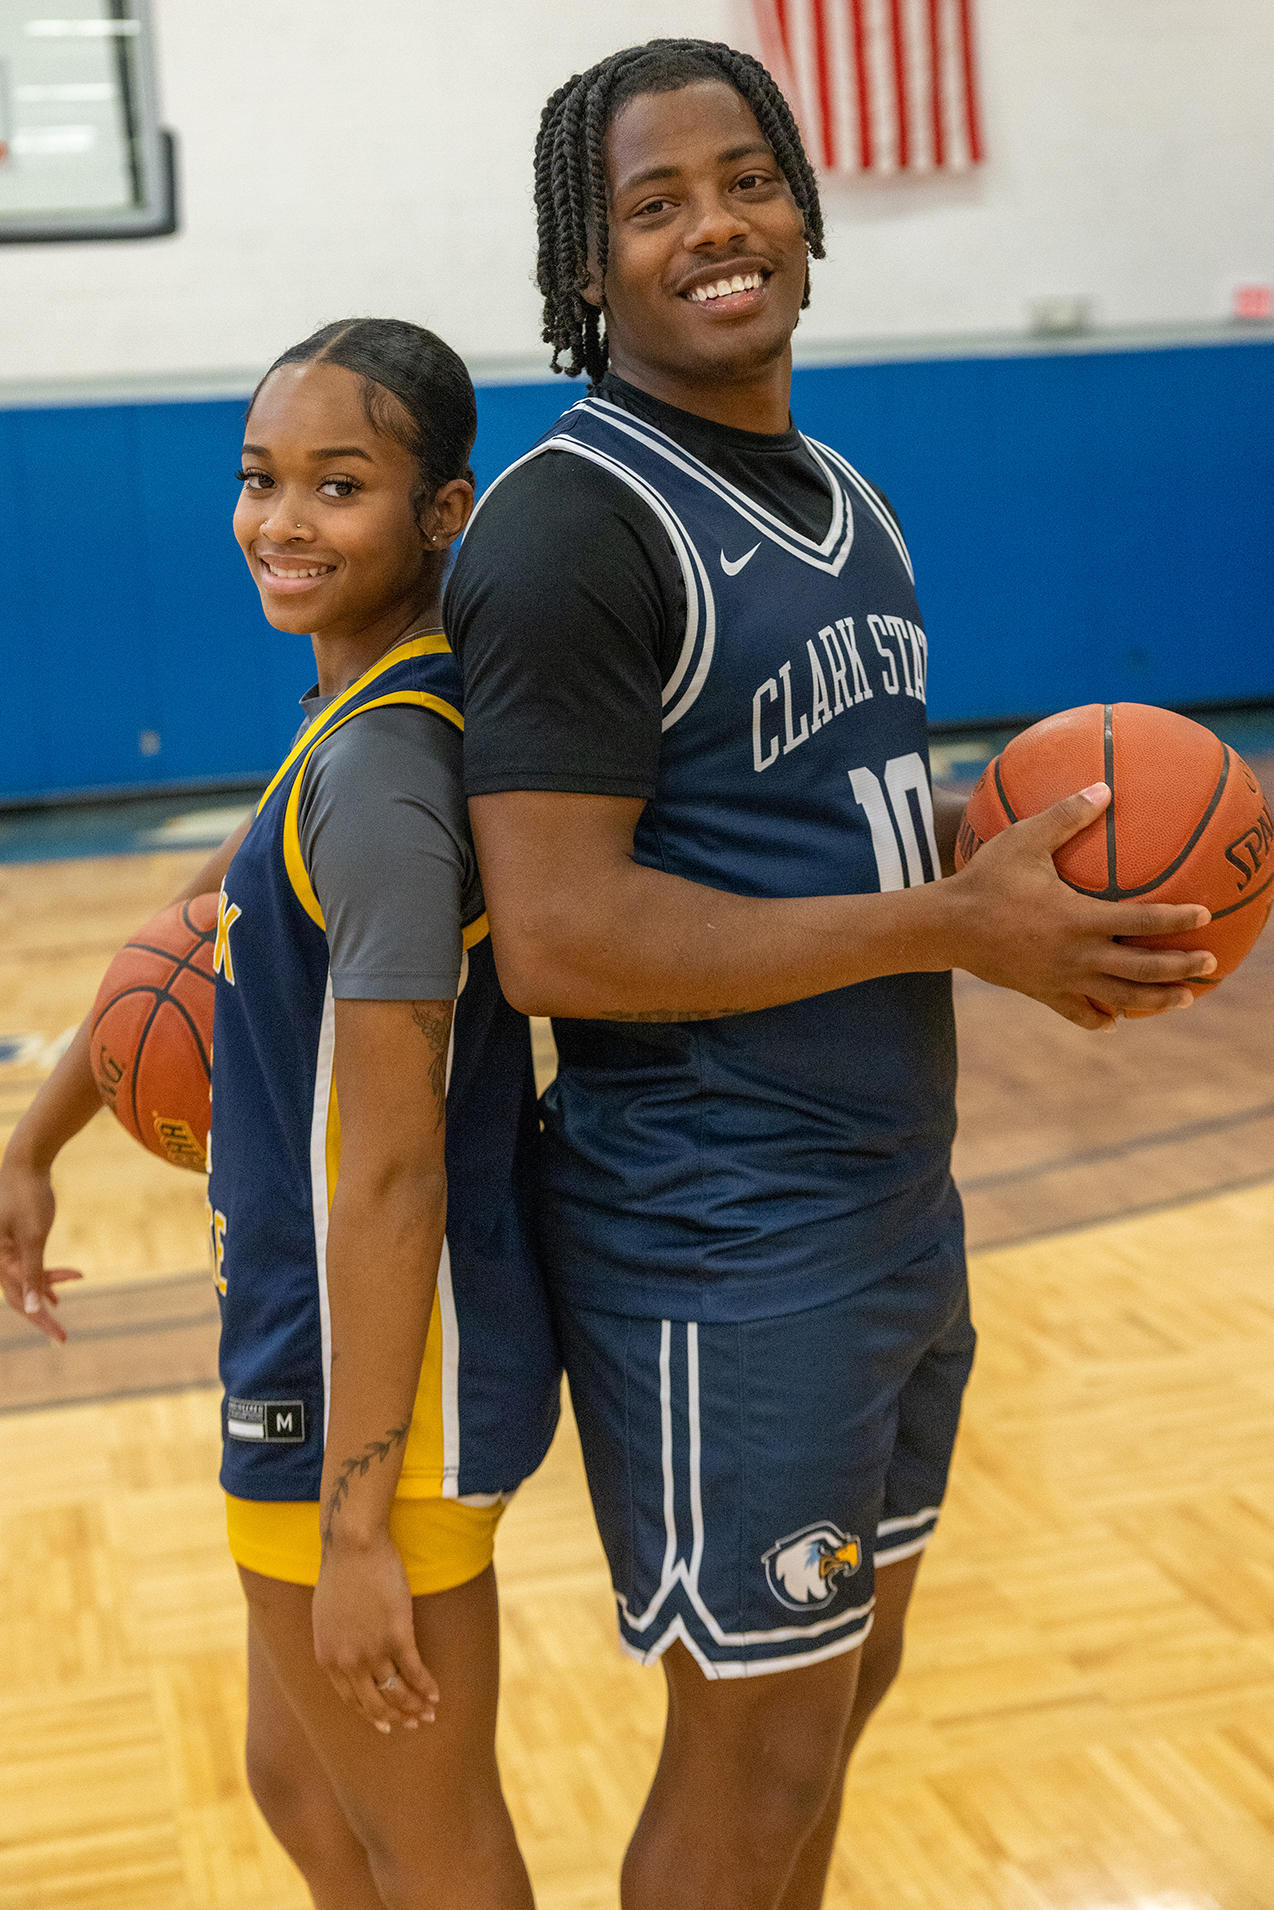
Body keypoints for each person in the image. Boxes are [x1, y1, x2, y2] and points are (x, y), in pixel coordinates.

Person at [445, 40, 1216, 1910]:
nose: (716, 226)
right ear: (586, 263)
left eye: (747, 179)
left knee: (837, 1712)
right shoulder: (571, 529)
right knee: (751, 1758)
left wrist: (1014, 874)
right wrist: (952, 930)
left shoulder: (841, 493)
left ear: (802, 203)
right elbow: (561, 936)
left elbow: (820, 805)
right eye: (654, 203)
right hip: (718, 1233)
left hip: (888, 1205)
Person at [0, 318, 560, 1910]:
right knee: (306, 1792)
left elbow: (386, 1175)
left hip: (377, 1377)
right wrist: (36, 1136)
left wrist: (360, 1519)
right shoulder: (362, 716)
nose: (283, 521)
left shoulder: (388, 769)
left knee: (430, 1845)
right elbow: (208, 904)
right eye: (260, 480)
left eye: (339, 485)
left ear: (443, 513)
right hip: (322, 1346)